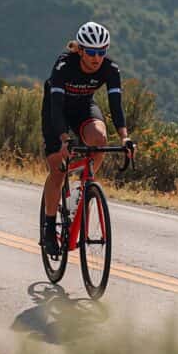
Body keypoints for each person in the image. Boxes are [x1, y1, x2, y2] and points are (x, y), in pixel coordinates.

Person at [40, 22, 134, 257]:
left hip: (83, 108)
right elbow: (57, 106)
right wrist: (63, 138)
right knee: (58, 169)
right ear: (80, 50)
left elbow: (115, 105)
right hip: (56, 110)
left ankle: (84, 188)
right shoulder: (64, 65)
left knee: (99, 138)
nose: (96, 58)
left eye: (101, 52)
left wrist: (125, 138)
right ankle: (49, 227)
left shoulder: (110, 69)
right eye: (91, 52)